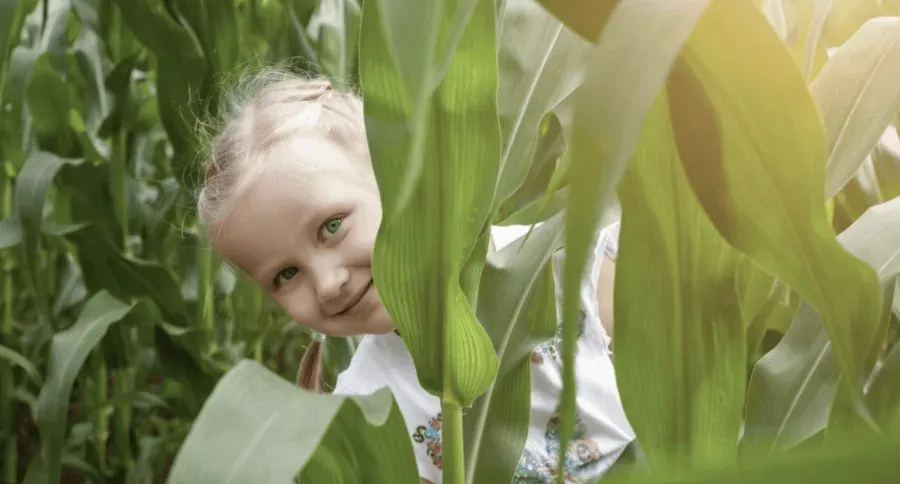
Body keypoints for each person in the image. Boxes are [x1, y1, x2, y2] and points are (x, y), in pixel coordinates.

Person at [196, 69, 636, 484]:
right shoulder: (366, 410)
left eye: (331, 226)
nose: (328, 283)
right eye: (286, 274)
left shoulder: (571, 268)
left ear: (398, 175)